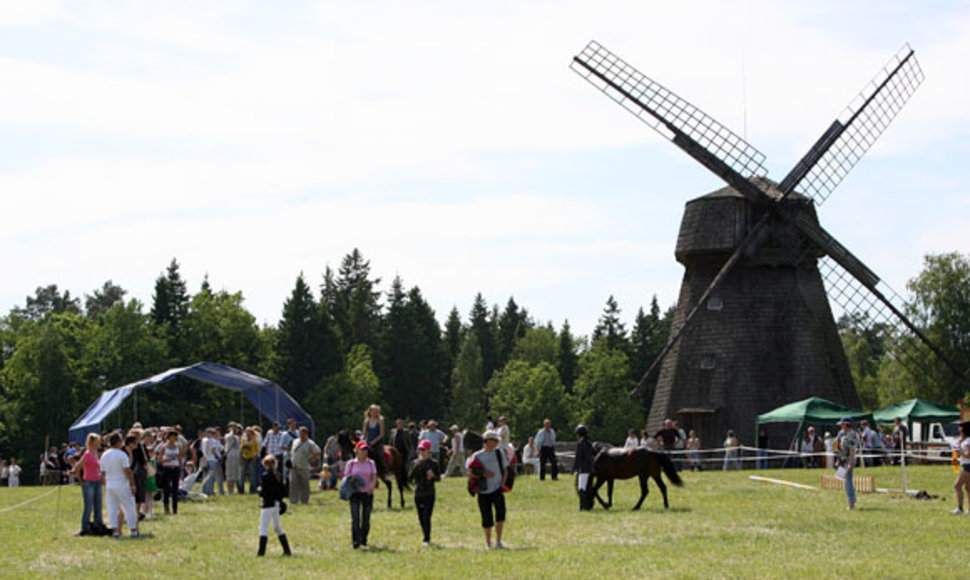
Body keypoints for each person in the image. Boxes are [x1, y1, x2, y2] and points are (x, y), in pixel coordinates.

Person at [470, 430, 508, 549]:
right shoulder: (477, 456)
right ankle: (488, 542)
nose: (492, 443)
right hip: (483, 490)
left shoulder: (500, 453)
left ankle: (499, 541)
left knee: (500, 515)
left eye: (494, 441)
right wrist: (483, 474)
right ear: (485, 441)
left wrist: (503, 484)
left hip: (497, 489)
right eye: (490, 440)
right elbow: (470, 473)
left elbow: (506, 470)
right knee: (486, 518)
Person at [101, 433, 139, 538]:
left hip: (110, 484)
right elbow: (128, 471)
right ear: (118, 442)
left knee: (112, 508)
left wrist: (105, 484)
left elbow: (102, 473)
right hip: (121, 483)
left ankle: (116, 531)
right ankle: (134, 530)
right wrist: (133, 485)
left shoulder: (104, 455)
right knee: (129, 507)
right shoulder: (122, 455)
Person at [345, 440, 378, 549]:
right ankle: (355, 540)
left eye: (365, 449)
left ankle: (363, 538)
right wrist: (351, 480)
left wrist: (372, 487)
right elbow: (346, 478)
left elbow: (374, 476)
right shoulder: (351, 464)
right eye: (361, 449)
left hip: (367, 493)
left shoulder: (371, 463)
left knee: (366, 517)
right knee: (355, 517)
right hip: (355, 493)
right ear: (356, 451)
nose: (364, 452)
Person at [257, 455, 291, 556]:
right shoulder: (279, 475)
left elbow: (265, 492)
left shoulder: (265, 476)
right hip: (276, 504)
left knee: (263, 528)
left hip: (267, 504)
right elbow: (283, 490)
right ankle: (287, 550)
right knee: (277, 527)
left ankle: (261, 552)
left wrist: (259, 491)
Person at [408, 439, 440, 546]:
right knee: (421, 516)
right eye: (420, 449)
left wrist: (433, 475)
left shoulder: (434, 463)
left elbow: (438, 478)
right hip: (418, 493)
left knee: (427, 516)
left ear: (429, 450)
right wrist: (417, 466)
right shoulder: (415, 462)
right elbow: (410, 477)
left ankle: (427, 538)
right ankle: (425, 534)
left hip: (429, 493)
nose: (422, 451)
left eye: (424, 449)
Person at [75, 433, 104, 535]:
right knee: (88, 506)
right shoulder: (87, 454)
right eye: (98, 441)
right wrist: (81, 481)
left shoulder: (95, 454)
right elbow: (77, 467)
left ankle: (98, 524)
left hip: (97, 482)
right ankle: (85, 527)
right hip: (89, 483)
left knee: (98, 505)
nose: (99, 443)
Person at [289, 426, 321, 504]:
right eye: (300, 433)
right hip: (294, 465)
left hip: (304, 466)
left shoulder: (310, 443)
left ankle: (304, 500)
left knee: (304, 484)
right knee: (293, 482)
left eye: (303, 433)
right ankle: (293, 500)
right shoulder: (295, 441)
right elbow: (292, 452)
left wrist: (311, 459)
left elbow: (318, 452)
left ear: (306, 434)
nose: (301, 435)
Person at [157, 430, 184, 515]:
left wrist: (180, 467)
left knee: (175, 489)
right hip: (167, 468)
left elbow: (180, 457)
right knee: (166, 489)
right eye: (173, 436)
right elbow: (160, 460)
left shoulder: (178, 446)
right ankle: (166, 508)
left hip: (175, 468)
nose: (174, 438)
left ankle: (175, 509)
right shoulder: (164, 447)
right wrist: (168, 459)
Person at [835, 417, 859, 510]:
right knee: (845, 482)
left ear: (846, 424)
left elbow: (852, 449)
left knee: (848, 482)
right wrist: (838, 459)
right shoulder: (841, 433)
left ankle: (851, 504)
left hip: (848, 461)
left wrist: (850, 463)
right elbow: (838, 446)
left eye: (842, 424)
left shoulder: (852, 434)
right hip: (841, 460)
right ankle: (850, 502)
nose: (840, 426)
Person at [950, 422, 970, 515]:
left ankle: (960, 508)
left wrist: (960, 452)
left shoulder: (969, 441)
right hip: (965, 464)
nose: (959, 430)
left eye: (960, 428)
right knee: (968, 488)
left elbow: (968, 455)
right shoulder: (964, 440)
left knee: (957, 485)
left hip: (968, 466)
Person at [574, 425, 594, 511]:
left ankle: (583, 506)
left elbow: (578, 457)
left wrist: (575, 467)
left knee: (581, 488)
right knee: (588, 487)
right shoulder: (589, 443)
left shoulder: (580, 443)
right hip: (590, 468)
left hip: (583, 468)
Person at [363, 405, 386, 474]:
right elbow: (364, 433)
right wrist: (361, 440)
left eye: (376, 411)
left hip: (378, 441)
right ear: (370, 411)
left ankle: (384, 470)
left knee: (380, 455)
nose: (375, 412)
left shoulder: (380, 420)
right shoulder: (366, 421)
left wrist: (373, 442)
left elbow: (382, 434)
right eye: (373, 411)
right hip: (368, 441)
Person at [201, 427, 225, 496]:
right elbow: (213, 450)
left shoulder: (204, 440)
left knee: (205, 476)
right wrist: (218, 457)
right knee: (211, 477)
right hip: (212, 459)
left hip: (205, 459)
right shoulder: (213, 440)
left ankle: (204, 491)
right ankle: (209, 491)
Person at [240, 427, 261, 494]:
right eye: (247, 433)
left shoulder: (255, 441)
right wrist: (241, 457)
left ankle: (252, 490)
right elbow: (241, 449)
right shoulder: (243, 440)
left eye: (249, 433)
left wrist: (254, 457)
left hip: (252, 459)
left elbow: (257, 451)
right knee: (242, 475)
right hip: (244, 458)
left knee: (252, 475)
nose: (248, 434)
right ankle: (241, 490)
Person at [224, 423, 242, 495]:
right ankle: (229, 491)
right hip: (230, 456)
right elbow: (229, 439)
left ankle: (232, 490)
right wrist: (232, 431)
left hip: (236, 457)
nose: (234, 428)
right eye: (232, 427)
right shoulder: (227, 435)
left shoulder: (237, 437)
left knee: (235, 475)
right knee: (230, 474)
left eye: (235, 427)